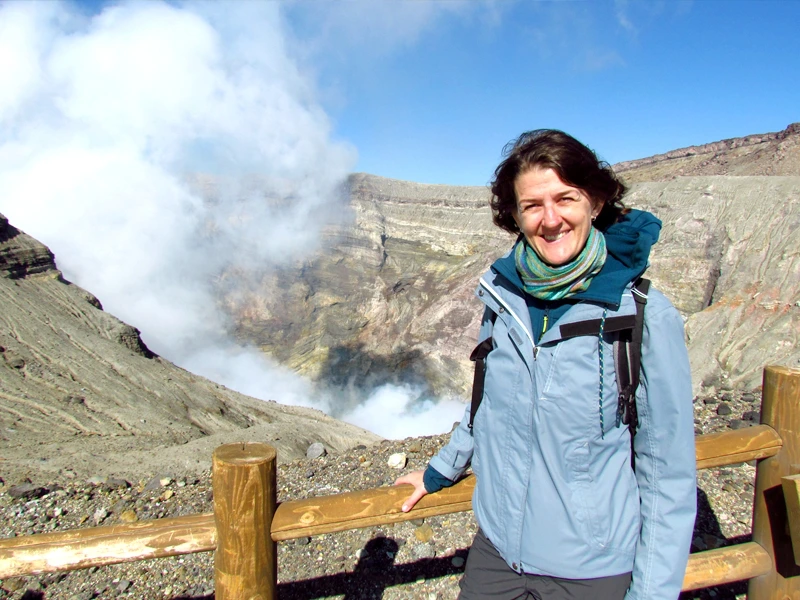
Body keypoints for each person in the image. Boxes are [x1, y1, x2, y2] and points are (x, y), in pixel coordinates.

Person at [395, 129, 696, 600]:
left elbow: (667, 472)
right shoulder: (502, 298)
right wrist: (438, 472)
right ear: (513, 215)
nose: (550, 219)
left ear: (595, 202)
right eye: (533, 205)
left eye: (566, 198)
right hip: (496, 552)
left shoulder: (641, 315)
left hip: (589, 569)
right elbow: (483, 406)